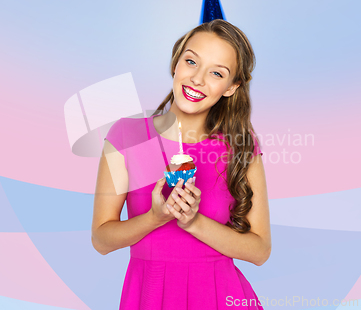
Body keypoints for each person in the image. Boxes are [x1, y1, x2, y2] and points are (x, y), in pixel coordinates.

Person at [92, 19, 271, 310]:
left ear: (231, 87)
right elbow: (101, 239)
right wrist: (156, 217)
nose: (198, 79)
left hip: (219, 296)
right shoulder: (127, 136)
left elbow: (260, 250)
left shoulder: (240, 144)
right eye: (191, 61)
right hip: (150, 295)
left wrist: (192, 221)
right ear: (176, 63)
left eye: (216, 73)